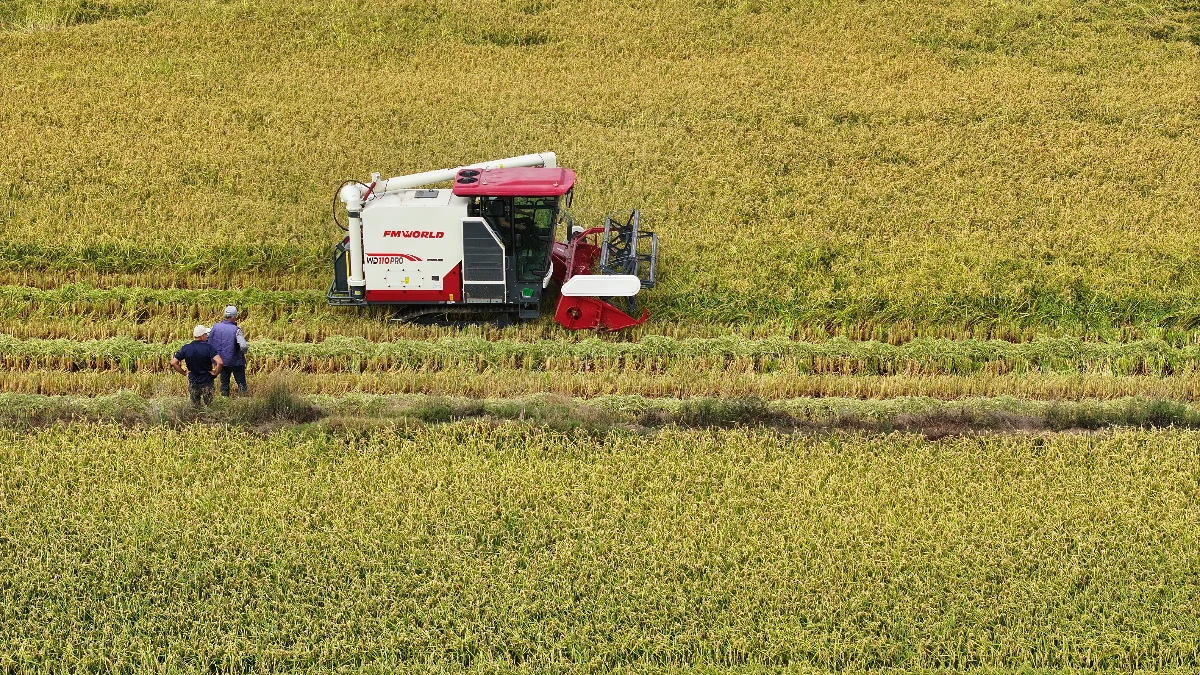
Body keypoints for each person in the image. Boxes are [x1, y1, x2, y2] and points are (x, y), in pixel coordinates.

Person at [171, 325, 224, 406]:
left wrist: (184, 373)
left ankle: (196, 418)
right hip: (207, 380)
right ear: (202, 336)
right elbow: (220, 362)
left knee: (195, 406)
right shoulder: (208, 348)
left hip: (193, 380)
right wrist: (215, 373)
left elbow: (173, 362)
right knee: (209, 406)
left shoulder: (186, 348)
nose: (207, 336)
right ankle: (209, 418)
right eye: (206, 334)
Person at [209, 305, 250, 396]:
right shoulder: (236, 330)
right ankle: (243, 401)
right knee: (241, 383)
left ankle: (224, 401)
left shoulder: (215, 327)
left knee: (224, 383)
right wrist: (244, 352)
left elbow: (209, 338)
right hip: (236, 362)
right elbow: (243, 346)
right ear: (234, 316)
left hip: (222, 361)